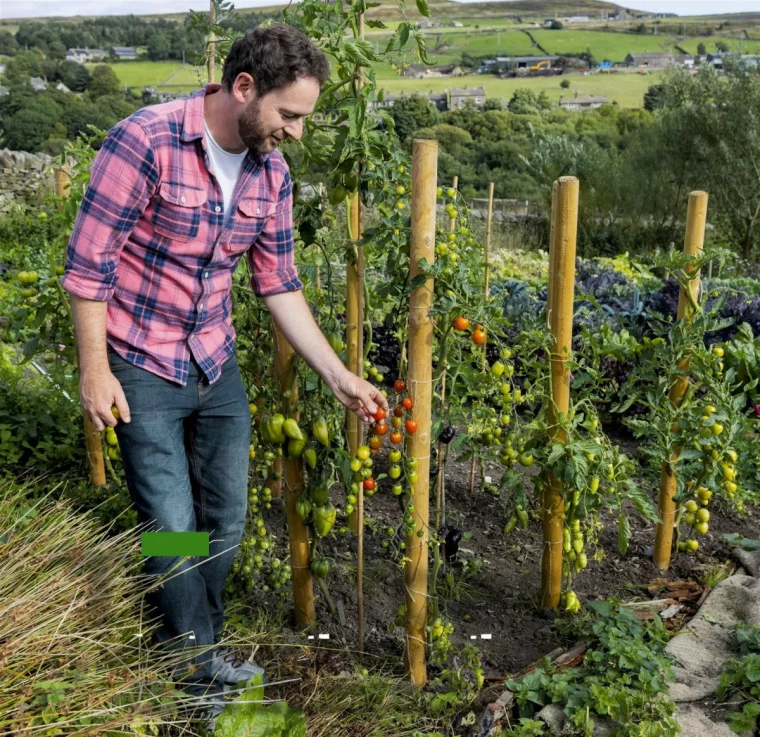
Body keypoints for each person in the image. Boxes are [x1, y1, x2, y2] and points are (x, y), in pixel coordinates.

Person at [61, 23, 388, 730]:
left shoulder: (271, 174)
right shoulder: (144, 142)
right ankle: (191, 675)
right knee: (171, 529)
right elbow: (88, 268)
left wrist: (338, 375)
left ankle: (191, 649)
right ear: (245, 88)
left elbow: (280, 285)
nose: (297, 133)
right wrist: (94, 369)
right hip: (141, 366)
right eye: (289, 115)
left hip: (215, 364)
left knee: (224, 524)